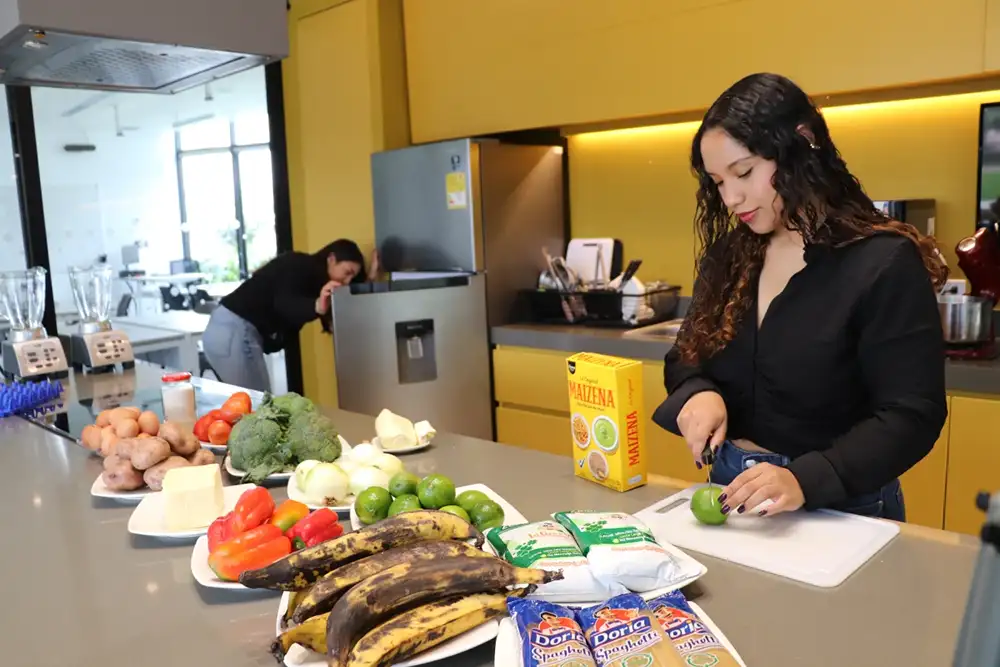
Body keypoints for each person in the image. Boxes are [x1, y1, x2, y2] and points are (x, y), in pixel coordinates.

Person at [653, 73, 948, 522]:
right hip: (732, 488)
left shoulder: (882, 261)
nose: (731, 198)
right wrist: (698, 392)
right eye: (717, 182)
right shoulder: (730, 256)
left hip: (844, 504)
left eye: (744, 172)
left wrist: (804, 479)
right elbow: (685, 356)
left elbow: (912, 414)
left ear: (802, 144)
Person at [202, 239, 377, 392]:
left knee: (249, 405)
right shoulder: (299, 265)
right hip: (234, 331)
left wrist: (371, 278)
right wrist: (316, 306)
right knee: (258, 406)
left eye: (352, 277)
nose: (347, 281)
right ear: (331, 259)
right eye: (347, 272)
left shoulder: (312, 281)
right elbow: (285, 304)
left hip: (224, 330)